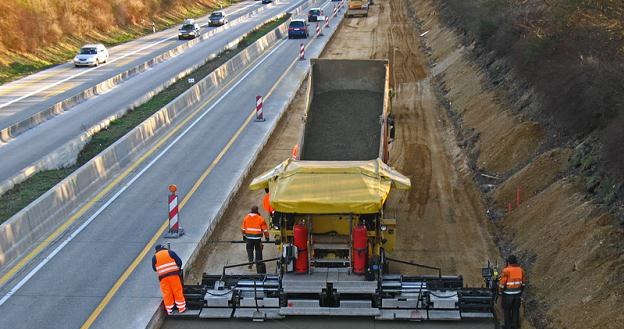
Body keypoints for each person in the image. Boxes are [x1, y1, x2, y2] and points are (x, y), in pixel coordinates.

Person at [152, 244, 186, 315]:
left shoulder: (154, 257)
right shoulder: (170, 252)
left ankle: (170, 310)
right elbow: (179, 262)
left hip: (163, 278)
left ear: (156, 251)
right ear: (164, 248)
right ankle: (181, 308)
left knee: (167, 292)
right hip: (173, 275)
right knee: (177, 290)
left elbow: (154, 269)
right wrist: (178, 268)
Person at [499, 255, 526, 329]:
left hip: (507, 295)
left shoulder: (506, 270)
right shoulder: (521, 270)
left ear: (508, 262)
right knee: (515, 310)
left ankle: (508, 326)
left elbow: (502, 284)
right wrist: (520, 291)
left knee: (507, 311)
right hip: (517, 295)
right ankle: (515, 326)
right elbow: (523, 283)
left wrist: (501, 292)